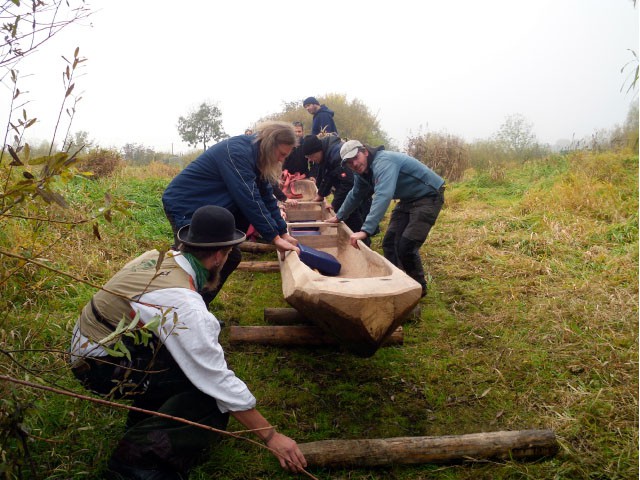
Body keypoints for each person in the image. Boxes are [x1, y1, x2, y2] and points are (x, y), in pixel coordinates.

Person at [69, 205, 307, 479]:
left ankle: (145, 420)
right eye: (229, 252)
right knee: (209, 398)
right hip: (98, 364)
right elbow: (215, 378)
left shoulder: (158, 258)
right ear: (219, 255)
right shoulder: (183, 302)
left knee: (184, 368)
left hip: (94, 345)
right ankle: (137, 463)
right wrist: (270, 436)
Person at [162, 121, 300, 307]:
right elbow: (249, 198)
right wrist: (273, 238)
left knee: (229, 258)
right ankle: (176, 311)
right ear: (270, 144)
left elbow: (266, 196)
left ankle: (196, 309)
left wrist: (283, 233)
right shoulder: (237, 153)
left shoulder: (258, 156)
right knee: (194, 263)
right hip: (187, 204)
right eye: (281, 154)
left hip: (209, 207)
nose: (281, 160)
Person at [327, 140, 445, 297]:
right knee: (389, 243)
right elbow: (355, 194)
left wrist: (365, 230)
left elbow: (383, 195)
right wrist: (339, 216)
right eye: (349, 163)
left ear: (365, 152)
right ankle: (399, 284)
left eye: (356, 158)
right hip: (408, 200)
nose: (354, 164)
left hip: (428, 196)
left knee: (407, 245)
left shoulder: (383, 161)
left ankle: (418, 289)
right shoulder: (363, 173)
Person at [301, 134, 370, 239]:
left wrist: (334, 204)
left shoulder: (337, 156)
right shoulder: (325, 154)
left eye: (311, 157)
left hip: (357, 190)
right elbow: (328, 176)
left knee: (352, 216)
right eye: (308, 158)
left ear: (318, 151)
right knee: (341, 210)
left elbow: (348, 183)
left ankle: (361, 242)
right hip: (345, 187)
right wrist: (320, 194)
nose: (311, 160)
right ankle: (347, 238)